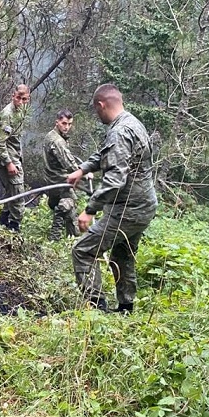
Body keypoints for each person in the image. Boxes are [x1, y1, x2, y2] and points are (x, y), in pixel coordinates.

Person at [67, 83, 157, 313]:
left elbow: (115, 180)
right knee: (123, 255)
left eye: (96, 110)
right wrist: (83, 169)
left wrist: (90, 209)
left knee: (83, 251)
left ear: (101, 105)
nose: (97, 115)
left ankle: (96, 310)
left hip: (128, 209)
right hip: (144, 206)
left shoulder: (119, 131)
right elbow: (107, 153)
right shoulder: (133, 123)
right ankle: (126, 308)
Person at [0, 84, 30, 231]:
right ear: (13, 96)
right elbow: (0, 142)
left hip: (14, 156)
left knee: (11, 190)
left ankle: (3, 220)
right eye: (18, 98)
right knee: (18, 192)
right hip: (6, 158)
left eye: (24, 99)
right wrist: (9, 163)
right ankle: (15, 225)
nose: (20, 102)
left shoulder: (22, 111)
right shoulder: (7, 114)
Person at [43, 109, 81, 240]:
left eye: (69, 124)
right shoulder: (57, 141)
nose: (67, 127)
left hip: (52, 181)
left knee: (69, 211)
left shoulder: (51, 135)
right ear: (57, 122)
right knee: (68, 204)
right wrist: (83, 172)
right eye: (64, 123)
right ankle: (54, 238)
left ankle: (72, 238)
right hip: (60, 181)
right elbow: (68, 163)